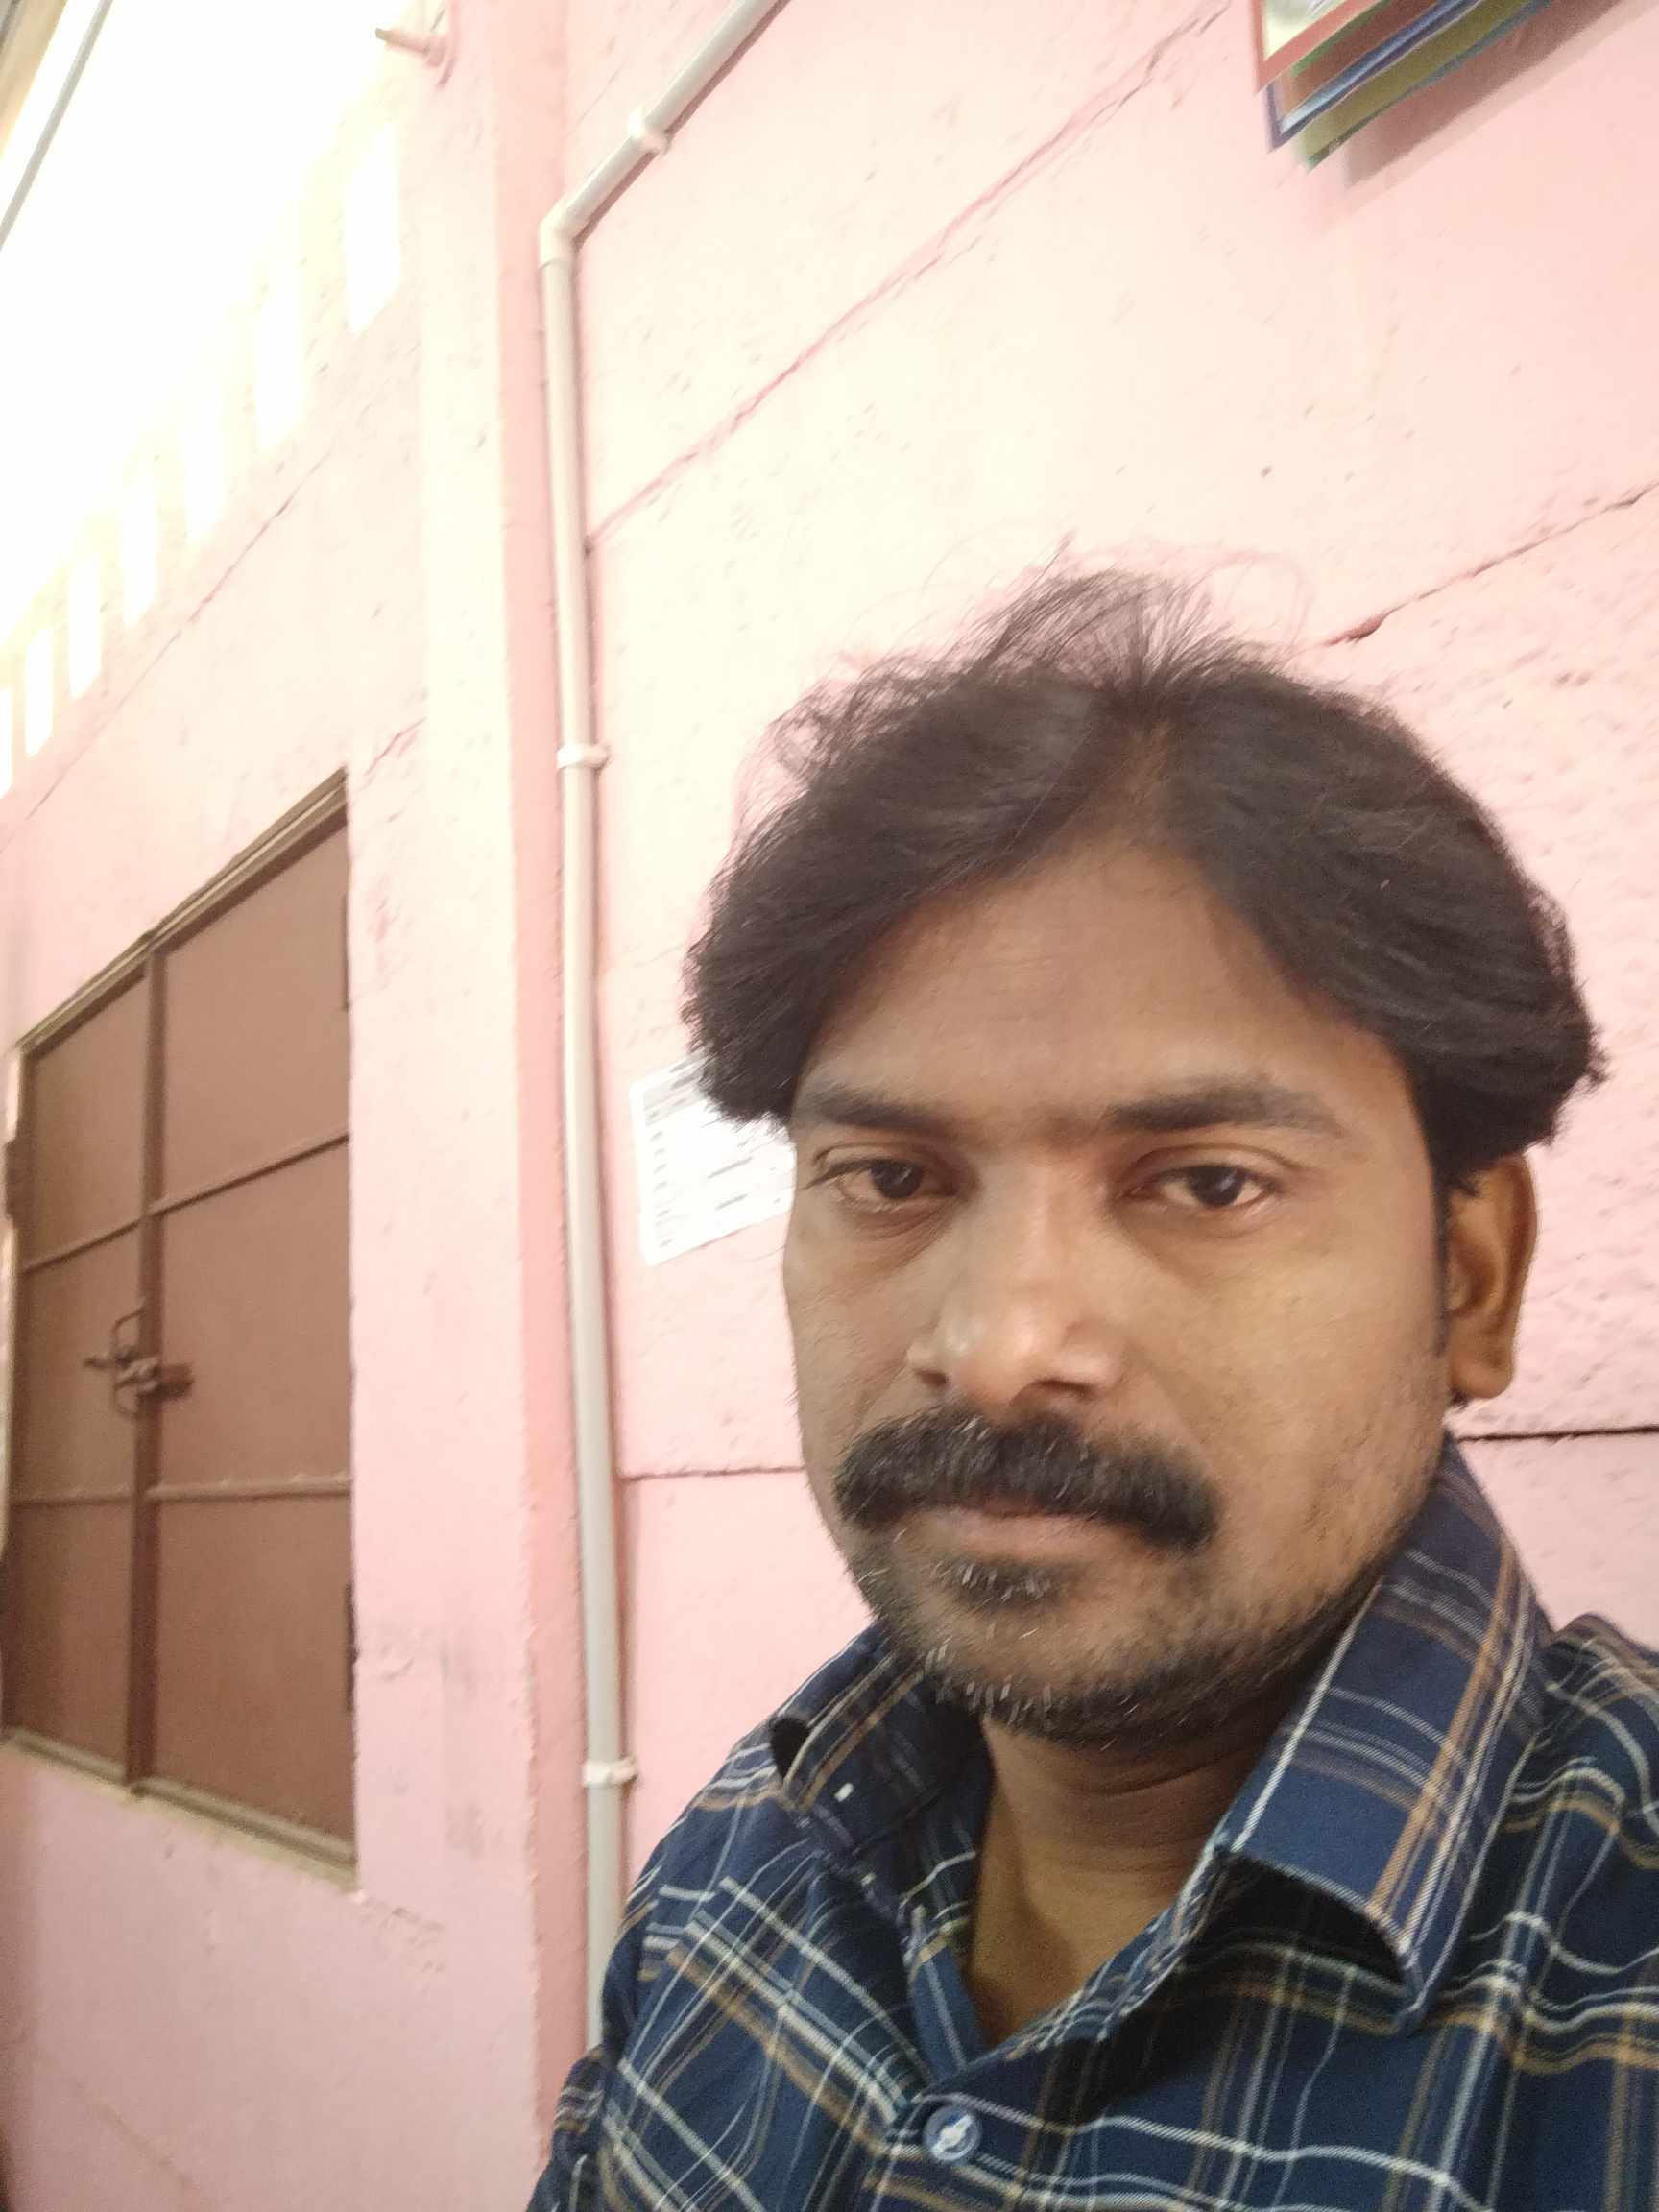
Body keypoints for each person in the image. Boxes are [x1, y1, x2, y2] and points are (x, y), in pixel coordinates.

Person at [528, 571, 1659, 2211]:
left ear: (1469, 1277)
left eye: (1206, 1184)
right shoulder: (737, 1872)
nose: (996, 1346)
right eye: (890, 1177)